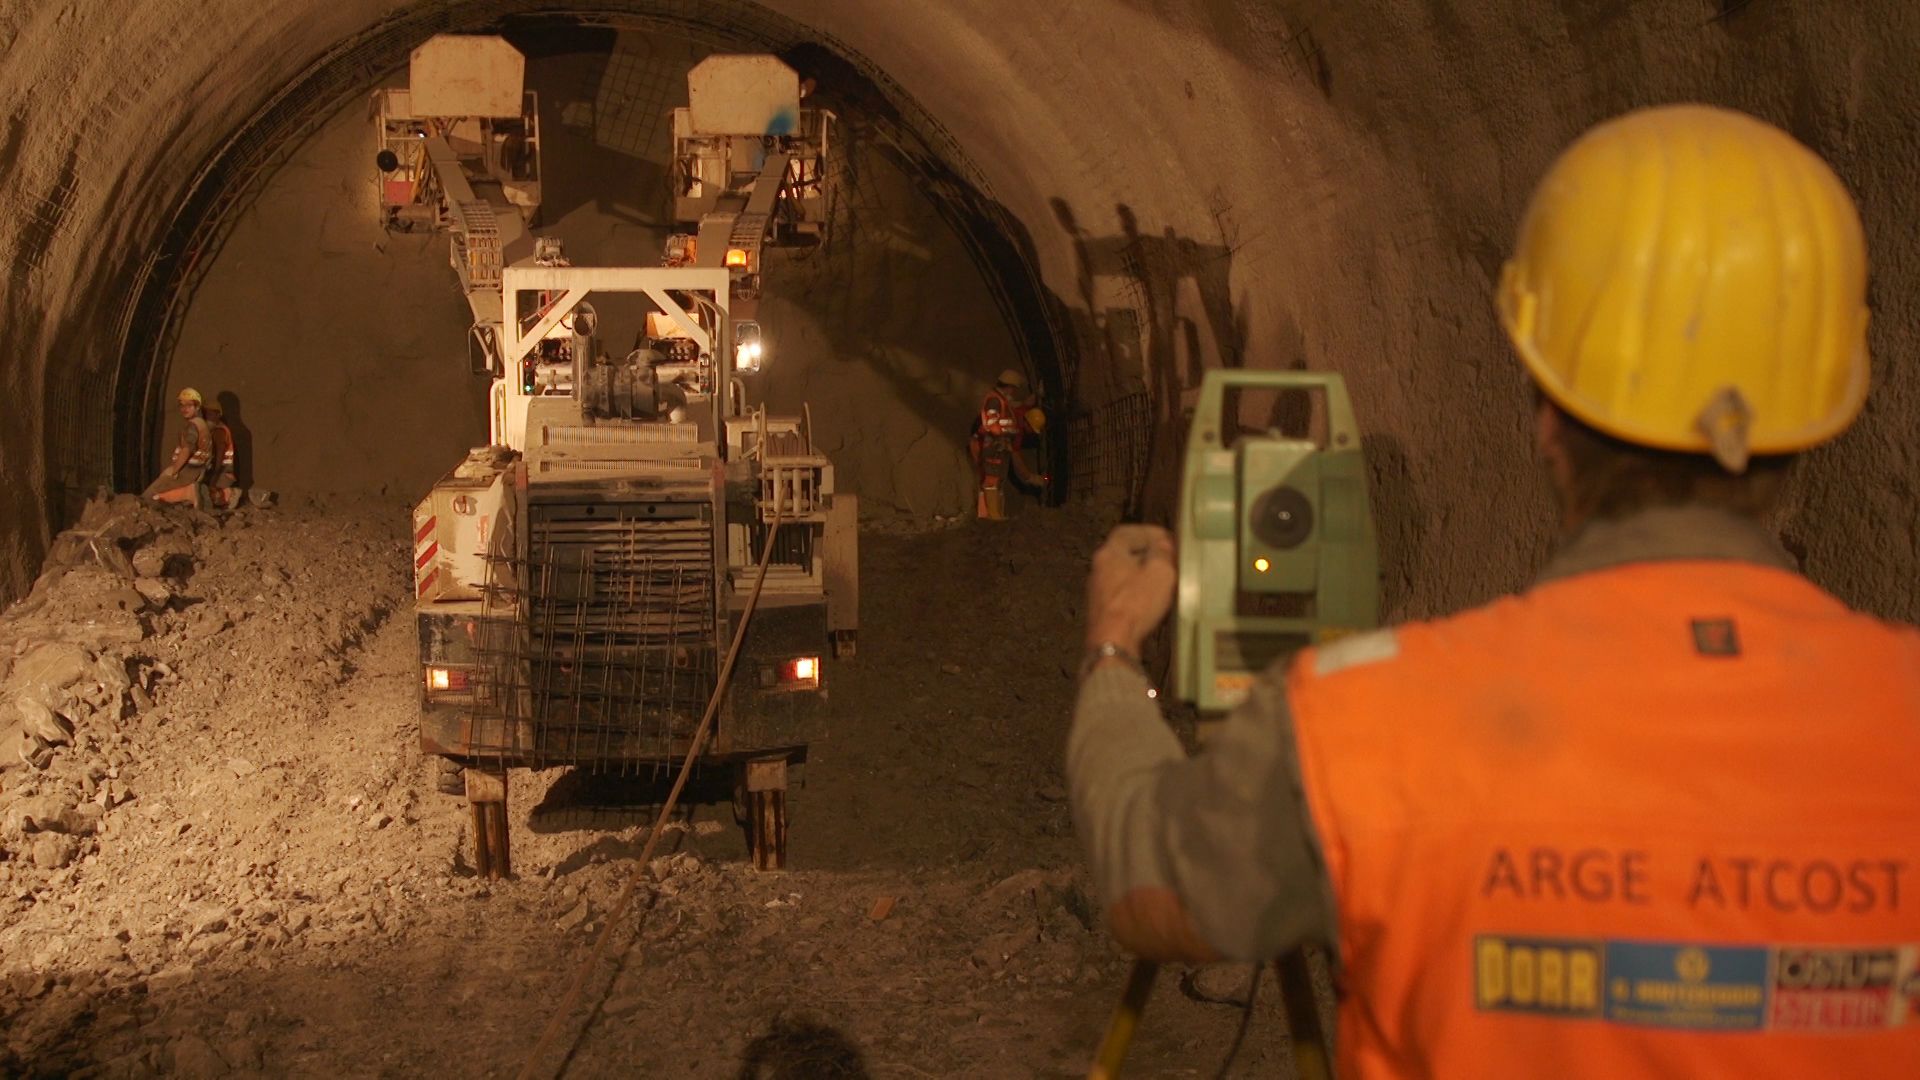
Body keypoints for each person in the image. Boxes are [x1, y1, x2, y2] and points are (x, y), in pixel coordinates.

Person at [1067, 105, 1920, 1076]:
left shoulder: (1362, 726)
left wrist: (1113, 648)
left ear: (1547, 417)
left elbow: (1148, 881)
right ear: (1821, 413)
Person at [970, 367, 1046, 520]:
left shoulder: (1012, 407)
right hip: (990, 445)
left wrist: (1037, 395)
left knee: (993, 480)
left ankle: (989, 516)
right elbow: (993, 426)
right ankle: (992, 516)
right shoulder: (996, 401)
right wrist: (1030, 477)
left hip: (992, 444)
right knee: (991, 479)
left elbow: (1025, 405)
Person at [143, 388, 213, 507]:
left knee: (147, 497)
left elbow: (187, 450)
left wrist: (174, 471)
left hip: (188, 472)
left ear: (197, 407)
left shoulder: (192, 426)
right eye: (182, 405)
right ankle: (188, 494)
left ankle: (188, 493)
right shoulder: (201, 424)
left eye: (189, 405)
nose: (184, 409)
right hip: (198, 470)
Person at [202, 400, 238, 510]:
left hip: (222, 473)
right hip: (222, 472)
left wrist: (213, 480)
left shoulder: (219, 431)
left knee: (204, 494)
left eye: (210, 414)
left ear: (218, 415)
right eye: (205, 413)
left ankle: (229, 494)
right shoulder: (217, 429)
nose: (207, 417)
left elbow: (219, 458)